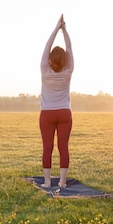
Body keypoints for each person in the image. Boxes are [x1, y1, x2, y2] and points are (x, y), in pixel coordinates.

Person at [39, 14, 74, 188]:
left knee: (47, 148)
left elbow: (47, 46)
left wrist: (56, 28)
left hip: (47, 114)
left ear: (50, 60)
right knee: (63, 147)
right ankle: (62, 181)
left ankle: (47, 182)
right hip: (64, 113)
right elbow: (69, 46)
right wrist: (64, 30)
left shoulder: (45, 70)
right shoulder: (68, 70)